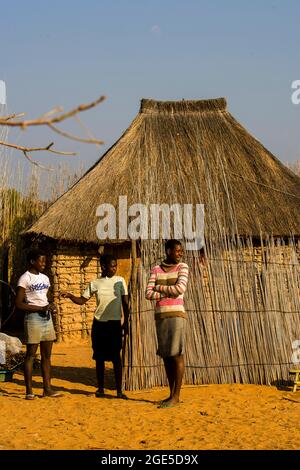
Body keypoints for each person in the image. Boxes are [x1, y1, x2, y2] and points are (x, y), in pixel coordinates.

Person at [61, 254, 130, 399]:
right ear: (103, 267)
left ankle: (119, 391)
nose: (114, 268)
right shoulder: (95, 283)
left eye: (115, 266)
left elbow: (125, 303)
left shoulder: (120, 281)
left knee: (116, 358)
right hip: (99, 325)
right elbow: (81, 300)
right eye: (112, 266)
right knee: (99, 358)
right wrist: (70, 295)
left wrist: (127, 322)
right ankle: (100, 389)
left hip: (114, 324)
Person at [145, 239, 189, 408]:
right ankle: (171, 394)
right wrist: (167, 292)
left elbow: (180, 289)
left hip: (177, 315)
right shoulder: (156, 269)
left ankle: (176, 397)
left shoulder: (183, 267)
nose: (180, 253)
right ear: (168, 251)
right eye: (177, 251)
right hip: (161, 316)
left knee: (176, 354)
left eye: (181, 251)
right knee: (166, 356)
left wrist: (160, 288)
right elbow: (148, 294)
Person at [15, 248, 61, 400]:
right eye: (41, 261)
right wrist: (40, 308)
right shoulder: (25, 278)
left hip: (46, 318)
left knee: (47, 356)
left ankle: (47, 389)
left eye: (45, 261)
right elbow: (19, 304)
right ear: (32, 262)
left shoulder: (45, 278)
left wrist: (50, 306)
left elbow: (44, 299)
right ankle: (29, 391)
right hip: (33, 318)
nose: (44, 263)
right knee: (31, 356)